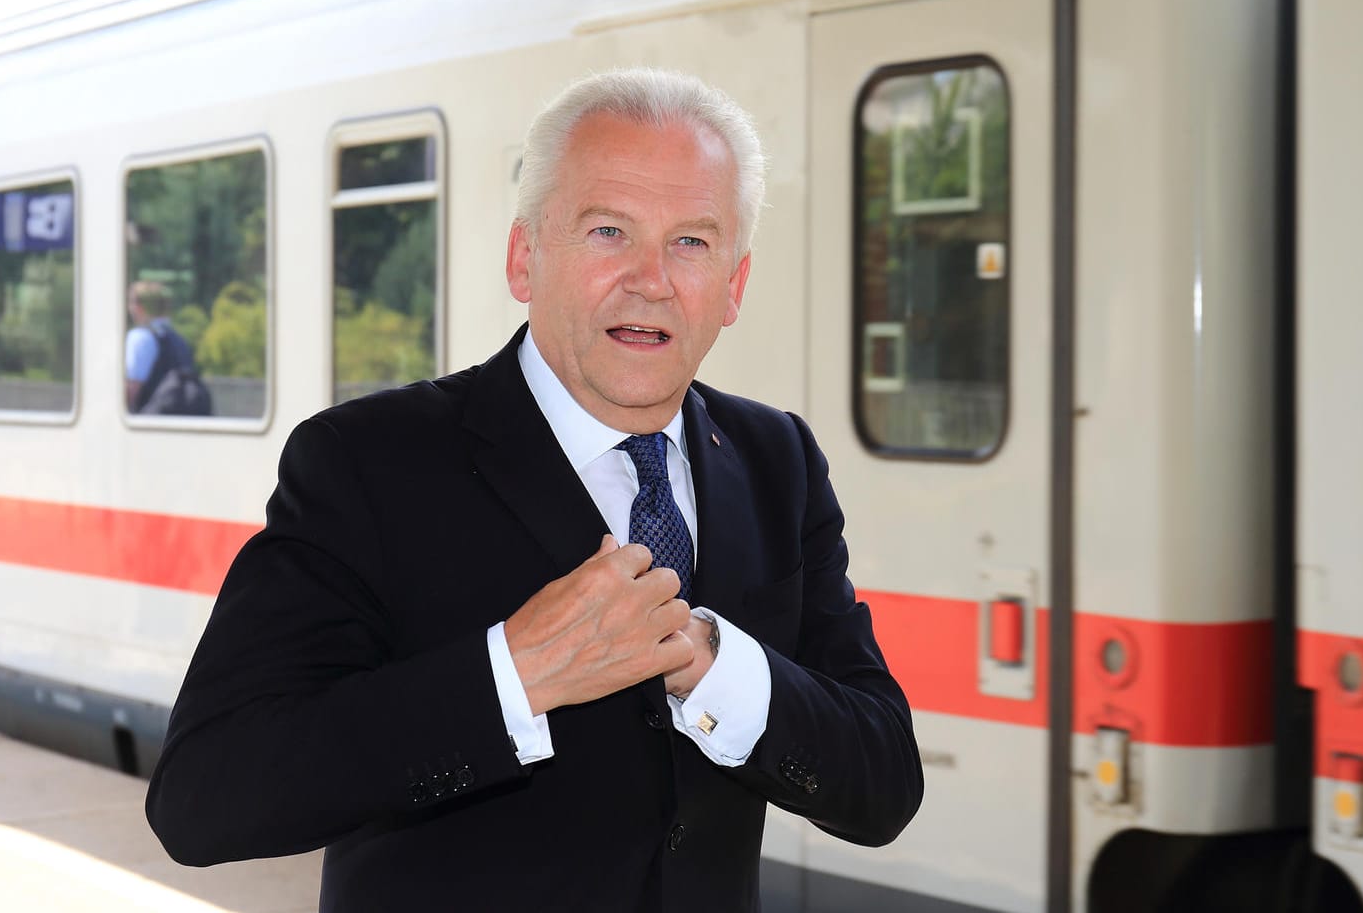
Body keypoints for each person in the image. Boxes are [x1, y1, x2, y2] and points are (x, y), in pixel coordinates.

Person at [145, 69, 923, 911]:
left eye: (692, 242)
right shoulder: (364, 462)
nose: (652, 279)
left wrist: (710, 661)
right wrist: (510, 676)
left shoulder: (779, 459)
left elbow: (882, 784)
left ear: (733, 287)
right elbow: (202, 796)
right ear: (526, 257)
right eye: (608, 231)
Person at [126, 280, 212, 415]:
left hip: (149, 427)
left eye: (131, 302)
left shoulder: (139, 338)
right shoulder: (178, 340)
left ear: (139, 307)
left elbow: (131, 390)